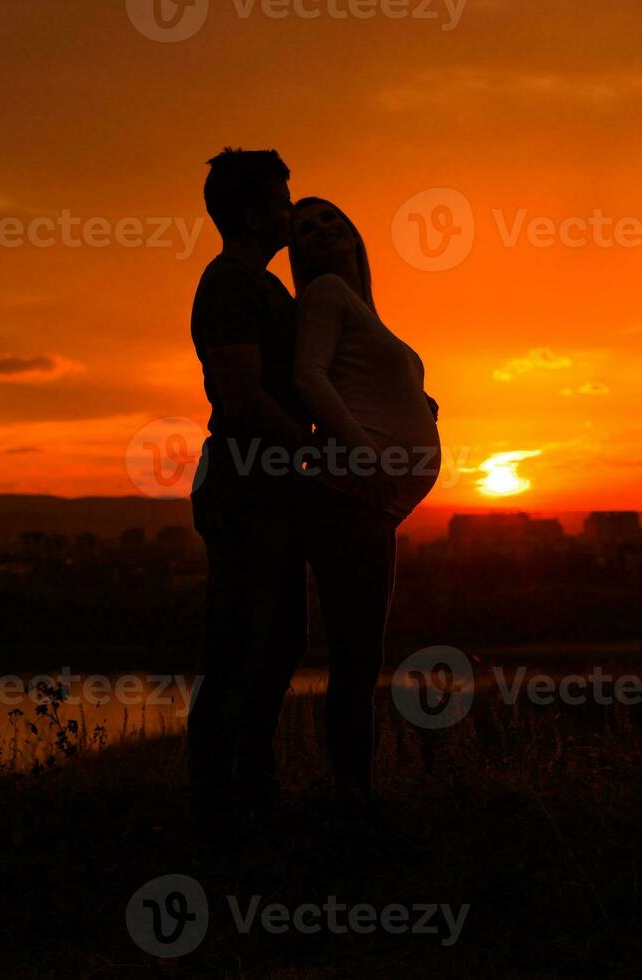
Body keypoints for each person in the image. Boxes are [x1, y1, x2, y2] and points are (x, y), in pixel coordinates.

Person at [289, 196, 441, 802]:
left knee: (361, 658)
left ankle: (356, 799)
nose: (323, 228)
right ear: (297, 252)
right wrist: (367, 453)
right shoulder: (325, 292)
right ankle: (354, 804)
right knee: (355, 662)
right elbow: (309, 377)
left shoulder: (363, 312)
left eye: (331, 217)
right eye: (305, 227)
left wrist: (418, 406)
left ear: (354, 231)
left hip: (367, 505)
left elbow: (362, 383)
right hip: (345, 498)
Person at [186, 148, 312, 833]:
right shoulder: (230, 284)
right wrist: (316, 447)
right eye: (281, 201)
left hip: (271, 482)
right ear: (253, 212)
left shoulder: (264, 287)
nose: (290, 213)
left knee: (282, 638)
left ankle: (252, 786)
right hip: (244, 482)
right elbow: (240, 394)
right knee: (239, 642)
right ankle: (215, 805)